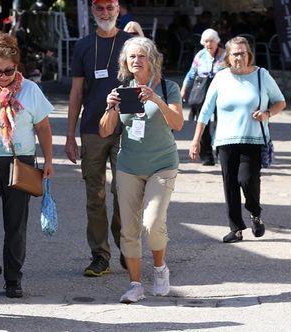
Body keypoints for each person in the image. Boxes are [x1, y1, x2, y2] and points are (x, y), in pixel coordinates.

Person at [0, 31, 54, 298]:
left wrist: (49, 161)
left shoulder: (30, 90)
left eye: (9, 71)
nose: (4, 77)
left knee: (16, 223)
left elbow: (43, 126)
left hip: (21, 162)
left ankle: (13, 278)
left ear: (17, 66)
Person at [99, 37, 184, 304]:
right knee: (129, 229)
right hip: (128, 166)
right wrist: (111, 107)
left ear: (152, 59)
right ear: (126, 62)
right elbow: (105, 130)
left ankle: (160, 268)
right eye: (131, 57)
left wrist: (156, 99)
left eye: (141, 56)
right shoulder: (123, 89)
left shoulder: (168, 88)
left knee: (153, 222)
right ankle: (135, 285)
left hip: (162, 165)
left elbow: (178, 123)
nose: (136, 61)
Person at [189, 36, 286, 243]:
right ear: (228, 57)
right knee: (230, 184)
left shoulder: (261, 75)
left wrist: (267, 113)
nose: (239, 57)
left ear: (248, 54)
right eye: (235, 53)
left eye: (242, 53)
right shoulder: (221, 78)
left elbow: (280, 102)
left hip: (253, 139)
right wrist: (196, 139)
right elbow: (205, 111)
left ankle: (255, 212)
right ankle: (236, 228)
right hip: (225, 140)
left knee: (247, 180)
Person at [65, 0, 132, 277]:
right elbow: (76, 93)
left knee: (124, 193)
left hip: (126, 130)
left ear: (118, 9)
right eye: (100, 8)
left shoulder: (131, 42)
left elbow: (145, 83)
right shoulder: (83, 45)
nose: (105, 13)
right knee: (95, 196)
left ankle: (127, 247)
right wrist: (69, 135)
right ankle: (100, 256)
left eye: (110, 7)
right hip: (92, 130)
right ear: (93, 11)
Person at [180, 28, 226, 166]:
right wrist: (184, 89)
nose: (208, 44)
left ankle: (221, 151)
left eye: (211, 41)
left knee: (222, 123)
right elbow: (191, 73)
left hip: (221, 92)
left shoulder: (225, 55)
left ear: (217, 41)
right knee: (202, 123)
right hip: (203, 93)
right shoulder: (200, 55)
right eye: (206, 41)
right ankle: (206, 155)